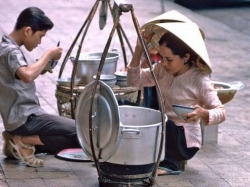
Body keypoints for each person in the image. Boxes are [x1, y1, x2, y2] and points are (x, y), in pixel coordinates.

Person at [127, 21, 226, 175]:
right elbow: (134, 82)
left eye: (169, 59)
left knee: (161, 121)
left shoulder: (199, 79)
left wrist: (203, 113)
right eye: (162, 58)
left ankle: (171, 164)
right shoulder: (161, 69)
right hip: (164, 133)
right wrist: (138, 50)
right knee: (138, 110)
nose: (164, 63)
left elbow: (221, 111)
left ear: (186, 57)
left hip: (184, 141)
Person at [0, 7, 81, 168]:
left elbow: (20, 75)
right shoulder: (11, 51)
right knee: (81, 133)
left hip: (18, 119)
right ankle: (23, 140)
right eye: (40, 36)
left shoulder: (5, 47)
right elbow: (27, 74)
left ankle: (17, 141)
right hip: (26, 118)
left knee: (68, 137)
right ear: (28, 30)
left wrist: (43, 65)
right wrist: (48, 54)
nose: (40, 42)